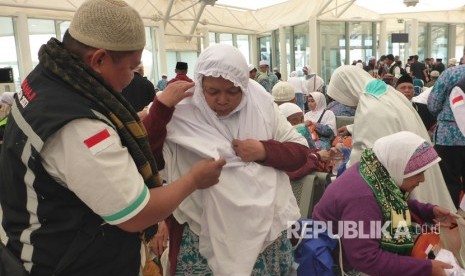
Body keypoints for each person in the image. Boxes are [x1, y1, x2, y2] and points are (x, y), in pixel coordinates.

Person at [0, 0, 226, 275]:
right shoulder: (77, 125)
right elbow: (135, 214)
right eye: (131, 67)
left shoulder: (47, 77)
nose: (132, 78)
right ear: (98, 59)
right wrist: (193, 180)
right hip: (66, 262)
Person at [159, 44, 308, 275]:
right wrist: (160, 108)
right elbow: (142, 151)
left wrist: (263, 150)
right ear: (200, 85)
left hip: (263, 237)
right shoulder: (182, 109)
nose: (222, 100)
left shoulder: (260, 104)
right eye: (212, 91)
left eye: (232, 91)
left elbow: (300, 152)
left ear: (244, 87)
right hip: (202, 233)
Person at [313, 131, 456, 276]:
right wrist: (426, 268)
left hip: (351, 248)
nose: (422, 179)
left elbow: (387, 203)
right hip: (338, 264)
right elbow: (366, 259)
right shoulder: (362, 198)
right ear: (398, 165)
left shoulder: (374, 171)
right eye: (417, 173)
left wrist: (429, 211)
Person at [326, 65, 455, 211]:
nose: (346, 104)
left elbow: (366, 154)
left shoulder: (370, 103)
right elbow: (391, 123)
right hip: (415, 164)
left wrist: (344, 176)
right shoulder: (387, 92)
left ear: (347, 89)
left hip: (405, 173)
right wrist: (352, 128)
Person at [427, 64, 465, 208]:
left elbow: (434, 103)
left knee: (448, 181)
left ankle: (452, 218)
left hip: (449, 136)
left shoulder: (451, 73)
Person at [278, 102, 332, 179]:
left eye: (302, 120)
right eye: (294, 122)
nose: (301, 125)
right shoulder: (278, 146)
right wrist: (316, 156)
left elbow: (309, 151)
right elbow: (294, 172)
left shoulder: (301, 142)